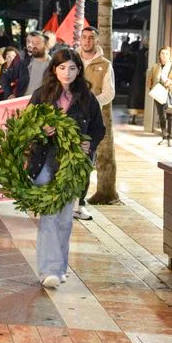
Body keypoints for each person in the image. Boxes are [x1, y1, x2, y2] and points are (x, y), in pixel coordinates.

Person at [28, 48, 105, 289]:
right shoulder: (42, 95)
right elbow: (26, 125)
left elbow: (98, 128)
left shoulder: (86, 97)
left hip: (72, 165)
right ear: (54, 69)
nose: (67, 72)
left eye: (72, 68)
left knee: (64, 219)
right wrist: (41, 129)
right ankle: (48, 269)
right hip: (45, 160)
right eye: (62, 67)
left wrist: (88, 142)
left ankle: (59, 267)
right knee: (49, 215)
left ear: (79, 70)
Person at [75, 26, 116, 220]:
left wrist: (90, 104)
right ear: (80, 40)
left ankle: (80, 203)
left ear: (97, 41)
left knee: (85, 161)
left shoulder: (105, 64)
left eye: (91, 38)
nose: (87, 41)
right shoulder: (70, 60)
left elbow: (109, 92)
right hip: (68, 119)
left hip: (90, 121)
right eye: (84, 37)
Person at [147, 46, 172, 147]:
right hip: (159, 93)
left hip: (170, 93)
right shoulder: (156, 66)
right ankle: (164, 136)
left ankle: (170, 137)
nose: (164, 56)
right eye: (162, 53)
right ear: (159, 55)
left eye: (167, 54)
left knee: (171, 115)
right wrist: (151, 88)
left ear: (170, 55)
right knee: (161, 115)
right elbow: (150, 78)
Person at [21, 32, 51, 97]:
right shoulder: (27, 61)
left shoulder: (53, 64)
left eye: (37, 43)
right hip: (23, 100)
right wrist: (10, 94)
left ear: (46, 46)